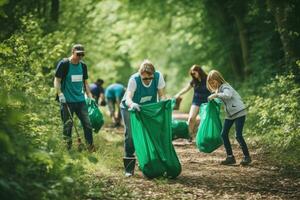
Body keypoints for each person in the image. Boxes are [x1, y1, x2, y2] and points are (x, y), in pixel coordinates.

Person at [120, 59, 166, 177]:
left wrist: (163, 103)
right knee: (130, 135)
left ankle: (147, 162)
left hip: (147, 108)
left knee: (150, 133)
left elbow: (161, 95)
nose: (148, 80)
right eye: (145, 78)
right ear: (140, 75)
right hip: (130, 108)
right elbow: (129, 97)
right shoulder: (134, 80)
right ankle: (129, 169)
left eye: (150, 78)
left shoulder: (158, 76)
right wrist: (132, 104)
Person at [54, 44, 95, 152]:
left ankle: (90, 147)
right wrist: (59, 94)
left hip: (80, 101)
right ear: (73, 52)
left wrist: (90, 96)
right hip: (67, 101)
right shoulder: (64, 64)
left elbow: (85, 83)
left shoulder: (83, 66)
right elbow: (57, 80)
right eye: (78, 54)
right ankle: (67, 149)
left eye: (82, 54)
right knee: (68, 126)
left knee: (87, 125)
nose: (80, 56)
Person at [207, 69, 251, 166]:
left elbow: (228, 95)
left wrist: (215, 95)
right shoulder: (218, 90)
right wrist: (213, 100)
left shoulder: (225, 87)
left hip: (239, 112)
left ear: (218, 79)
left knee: (238, 135)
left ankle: (247, 157)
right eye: (211, 84)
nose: (213, 85)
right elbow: (221, 100)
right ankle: (230, 157)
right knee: (223, 134)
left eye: (213, 82)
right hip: (230, 114)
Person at [174, 65, 211, 142]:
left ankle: (204, 136)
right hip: (196, 101)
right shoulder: (194, 81)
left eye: (194, 73)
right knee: (191, 118)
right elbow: (186, 89)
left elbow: (213, 88)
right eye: (192, 74)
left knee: (205, 120)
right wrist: (178, 94)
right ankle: (189, 136)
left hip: (206, 101)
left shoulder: (208, 78)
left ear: (199, 71)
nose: (193, 75)